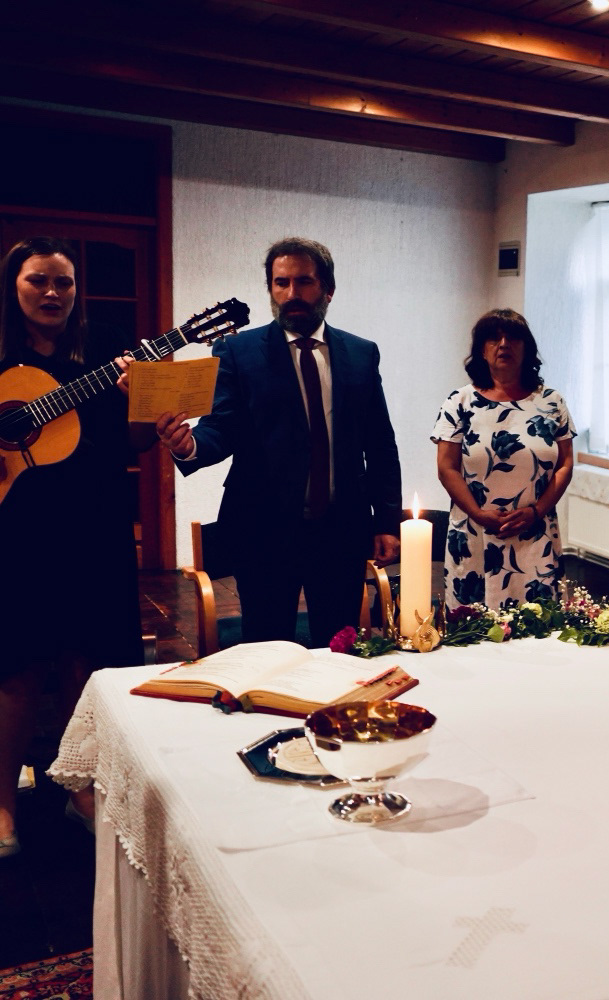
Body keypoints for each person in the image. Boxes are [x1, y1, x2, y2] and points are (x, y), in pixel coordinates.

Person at [157, 237, 402, 647]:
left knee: (340, 648)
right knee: (265, 649)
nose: (292, 294)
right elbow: (222, 426)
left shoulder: (361, 353)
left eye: (304, 281)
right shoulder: (237, 350)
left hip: (340, 530)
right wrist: (188, 445)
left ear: (328, 289)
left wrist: (387, 522)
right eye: (281, 283)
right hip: (262, 530)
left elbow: (380, 442)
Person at [0, 236, 154, 855]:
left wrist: (137, 397)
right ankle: (3, 800)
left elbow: (138, 442)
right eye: (38, 280)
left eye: (63, 282)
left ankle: (80, 788)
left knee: (87, 662)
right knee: (17, 667)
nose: (52, 292)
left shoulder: (107, 351)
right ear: (14, 286)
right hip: (19, 528)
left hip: (94, 522)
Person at [432, 309, 574, 607]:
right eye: (493, 338)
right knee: (473, 625)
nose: (504, 344)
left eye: (513, 338)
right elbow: (447, 468)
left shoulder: (552, 401)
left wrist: (536, 511)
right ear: (481, 350)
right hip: (475, 531)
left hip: (535, 532)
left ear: (527, 348)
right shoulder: (459, 402)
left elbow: (565, 464)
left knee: (537, 622)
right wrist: (479, 513)